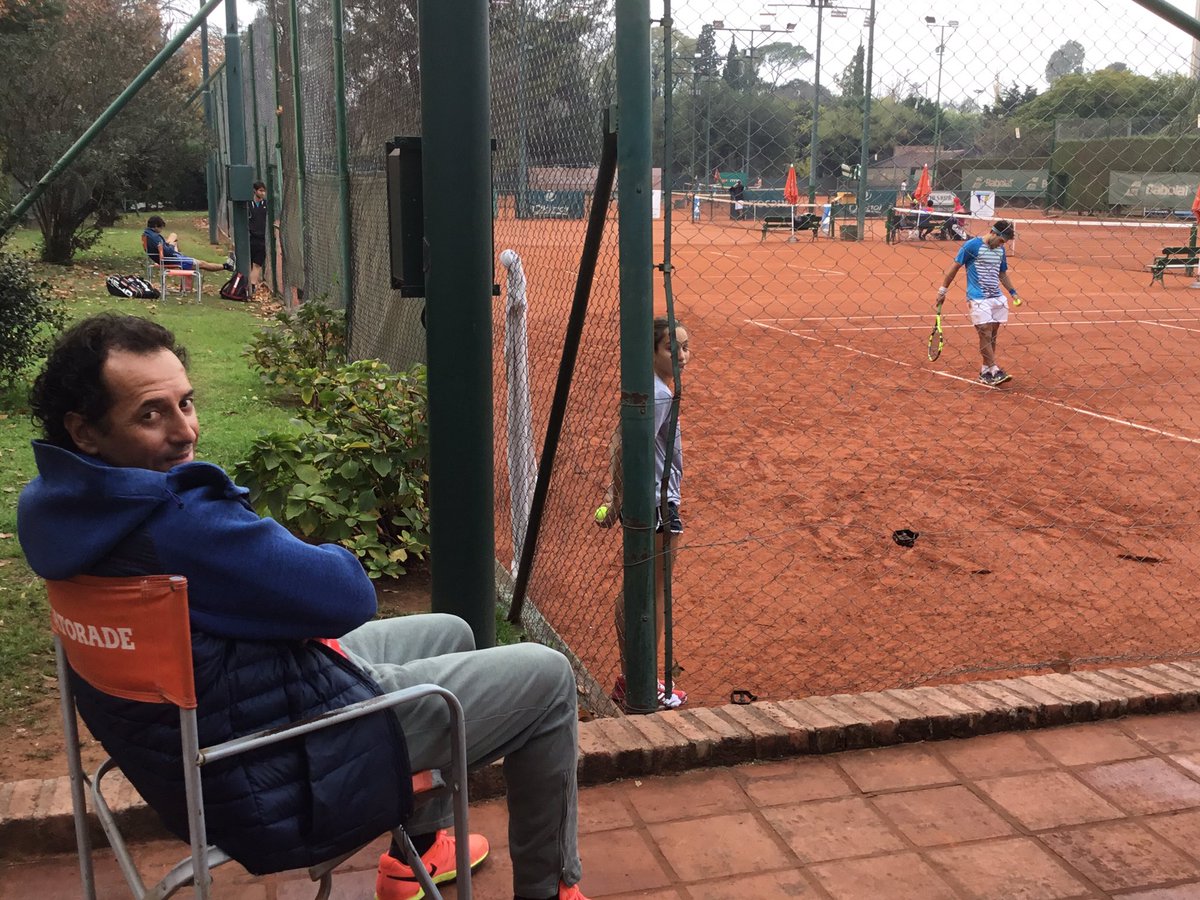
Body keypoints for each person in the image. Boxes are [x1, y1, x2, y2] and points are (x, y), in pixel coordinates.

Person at [18, 313, 589, 900]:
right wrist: (275, 540)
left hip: (201, 745)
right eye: (150, 414)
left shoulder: (57, 512)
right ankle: (550, 891)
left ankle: (419, 853)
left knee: (450, 630)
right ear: (85, 431)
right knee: (547, 679)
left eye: (185, 404)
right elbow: (347, 595)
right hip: (279, 771)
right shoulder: (179, 524)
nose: (185, 431)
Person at [598, 317, 690, 712]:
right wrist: (617, 499)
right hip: (658, 506)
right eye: (673, 348)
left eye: (686, 346)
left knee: (641, 591)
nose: (683, 355)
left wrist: (612, 495)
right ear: (653, 352)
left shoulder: (650, 389)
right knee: (648, 595)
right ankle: (640, 682)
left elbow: (620, 440)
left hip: (651, 502)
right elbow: (625, 450)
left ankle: (632, 679)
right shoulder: (662, 395)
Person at [936, 220, 1021, 385]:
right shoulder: (971, 246)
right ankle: (995, 369)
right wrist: (942, 290)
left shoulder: (1000, 250)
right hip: (977, 296)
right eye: (1001, 241)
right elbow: (954, 267)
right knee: (984, 331)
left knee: (992, 335)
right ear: (994, 233)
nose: (1001, 245)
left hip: (996, 296)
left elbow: (1002, 273)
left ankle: (985, 371)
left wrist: (1013, 292)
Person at [141, 215, 231, 292]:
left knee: (173, 236)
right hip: (169, 260)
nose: (161, 230)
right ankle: (226, 266)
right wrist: (171, 245)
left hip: (164, 257)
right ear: (156, 226)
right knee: (202, 264)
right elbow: (168, 252)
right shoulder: (155, 237)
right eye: (160, 228)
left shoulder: (146, 234)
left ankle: (186, 288)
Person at [248, 181, 269, 293]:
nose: (263, 193)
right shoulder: (248, 204)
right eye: (260, 190)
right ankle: (243, 283)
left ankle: (252, 285)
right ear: (255, 191)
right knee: (248, 262)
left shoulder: (266, 205)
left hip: (262, 239)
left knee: (257, 264)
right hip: (250, 238)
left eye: (264, 191)